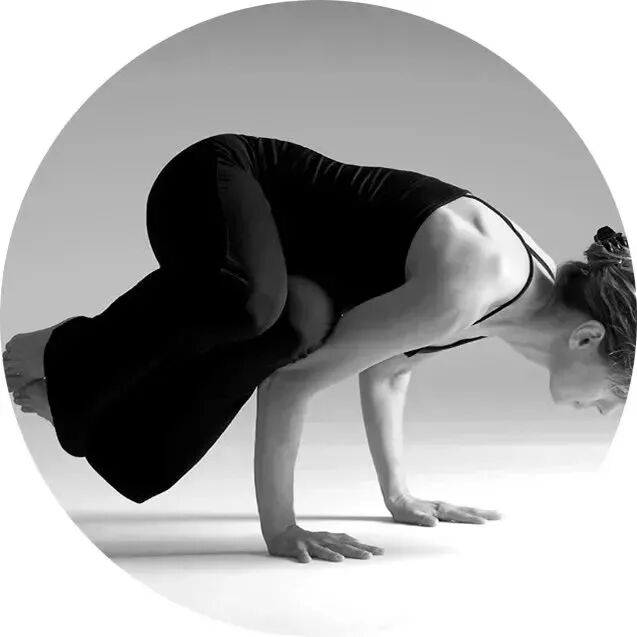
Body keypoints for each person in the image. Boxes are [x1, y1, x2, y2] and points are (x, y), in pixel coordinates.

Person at [3, 133, 634, 564]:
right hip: (215, 182)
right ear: (588, 337)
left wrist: (398, 496)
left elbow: (387, 371)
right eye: (620, 392)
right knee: (257, 307)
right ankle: (61, 349)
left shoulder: (517, 304)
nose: (612, 411)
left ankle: (82, 403)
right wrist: (281, 528)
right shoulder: (478, 279)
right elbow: (294, 386)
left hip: (283, 274)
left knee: (145, 462)